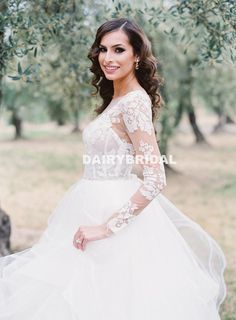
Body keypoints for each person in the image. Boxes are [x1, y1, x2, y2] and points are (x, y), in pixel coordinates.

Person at [0, 18, 227, 320]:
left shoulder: (134, 102)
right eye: (103, 49)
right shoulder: (117, 99)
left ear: (137, 56)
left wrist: (108, 227)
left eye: (118, 49)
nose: (108, 58)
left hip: (113, 213)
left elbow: (155, 178)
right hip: (87, 202)